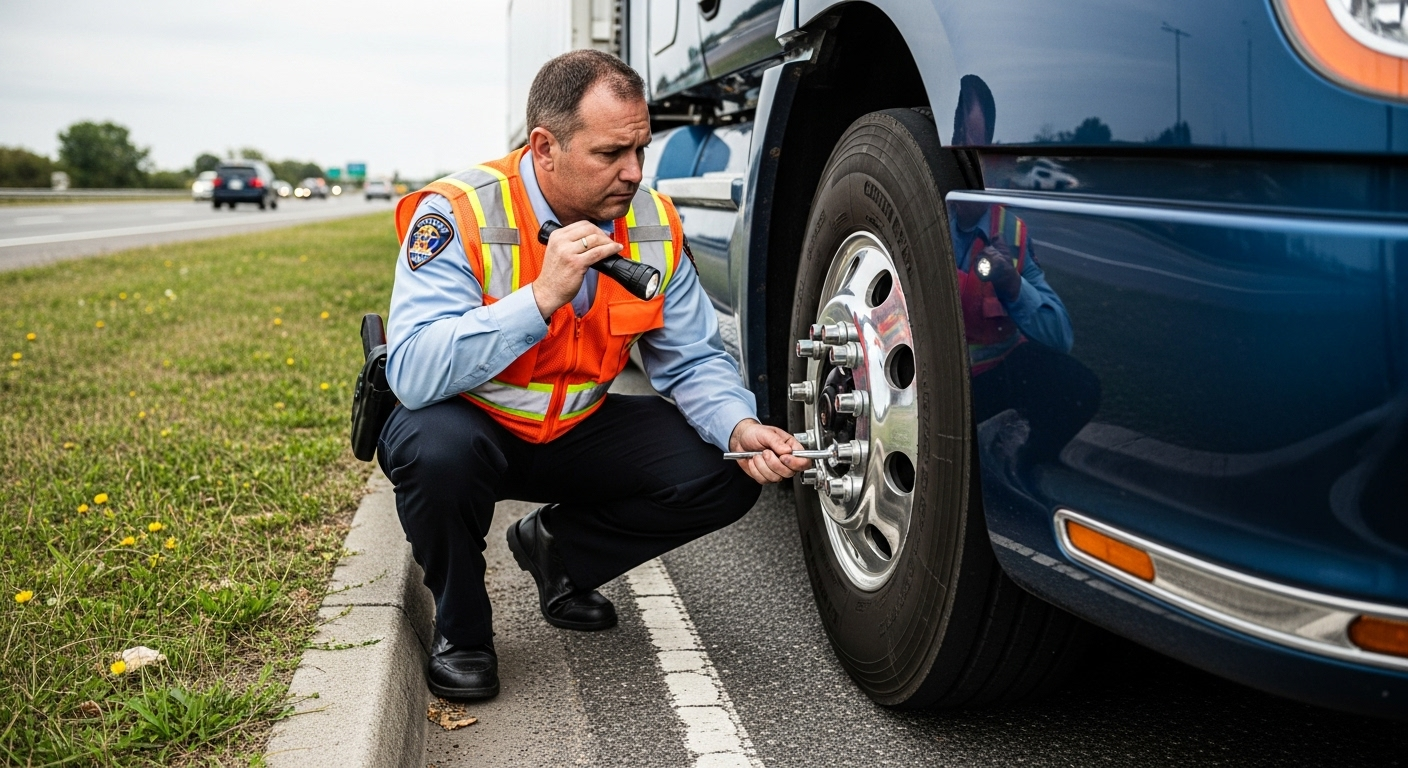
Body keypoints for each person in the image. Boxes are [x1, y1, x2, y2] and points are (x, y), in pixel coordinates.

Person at [377, 50, 810, 701]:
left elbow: (691, 359)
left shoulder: (654, 224)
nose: (633, 173)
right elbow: (410, 373)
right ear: (545, 147)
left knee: (724, 464)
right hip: (473, 428)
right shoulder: (458, 213)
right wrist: (539, 299)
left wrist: (741, 424)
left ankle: (558, 551)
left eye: (641, 149)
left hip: (574, 431)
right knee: (437, 453)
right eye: (610, 154)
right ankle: (462, 631)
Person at [949, 74, 1100, 469]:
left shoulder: (1011, 233)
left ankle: (1025, 463)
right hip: (932, 384)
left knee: (1079, 386)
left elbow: (1059, 334)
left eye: (982, 150)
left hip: (993, 382)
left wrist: (1012, 283)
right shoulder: (918, 215)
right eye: (962, 147)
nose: (971, 162)